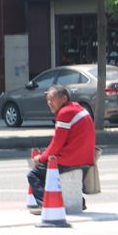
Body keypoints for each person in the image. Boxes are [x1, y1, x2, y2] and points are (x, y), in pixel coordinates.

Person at [27, 84, 95, 214]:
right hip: (86, 159)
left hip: (71, 159)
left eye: (52, 99)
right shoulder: (76, 108)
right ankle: (78, 202)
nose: (49, 103)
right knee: (50, 172)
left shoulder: (65, 113)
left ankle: (46, 205)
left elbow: (57, 144)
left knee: (34, 174)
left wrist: (41, 158)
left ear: (64, 98)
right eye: (47, 99)